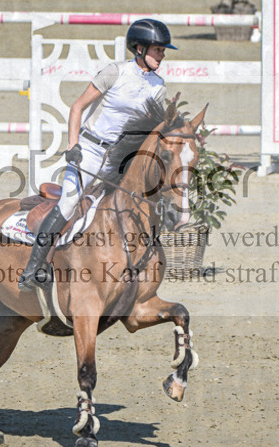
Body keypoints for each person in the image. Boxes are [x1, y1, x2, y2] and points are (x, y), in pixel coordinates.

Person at [17, 18, 177, 291]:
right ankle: (33, 269)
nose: (162, 55)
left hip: (121, 158)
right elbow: (77, 107)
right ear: (139, 48)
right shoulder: (115, 72)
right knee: (69, 203)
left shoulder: (158, 86)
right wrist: (73, 145)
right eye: (158, 49)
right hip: (90, 149)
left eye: (163, 50)